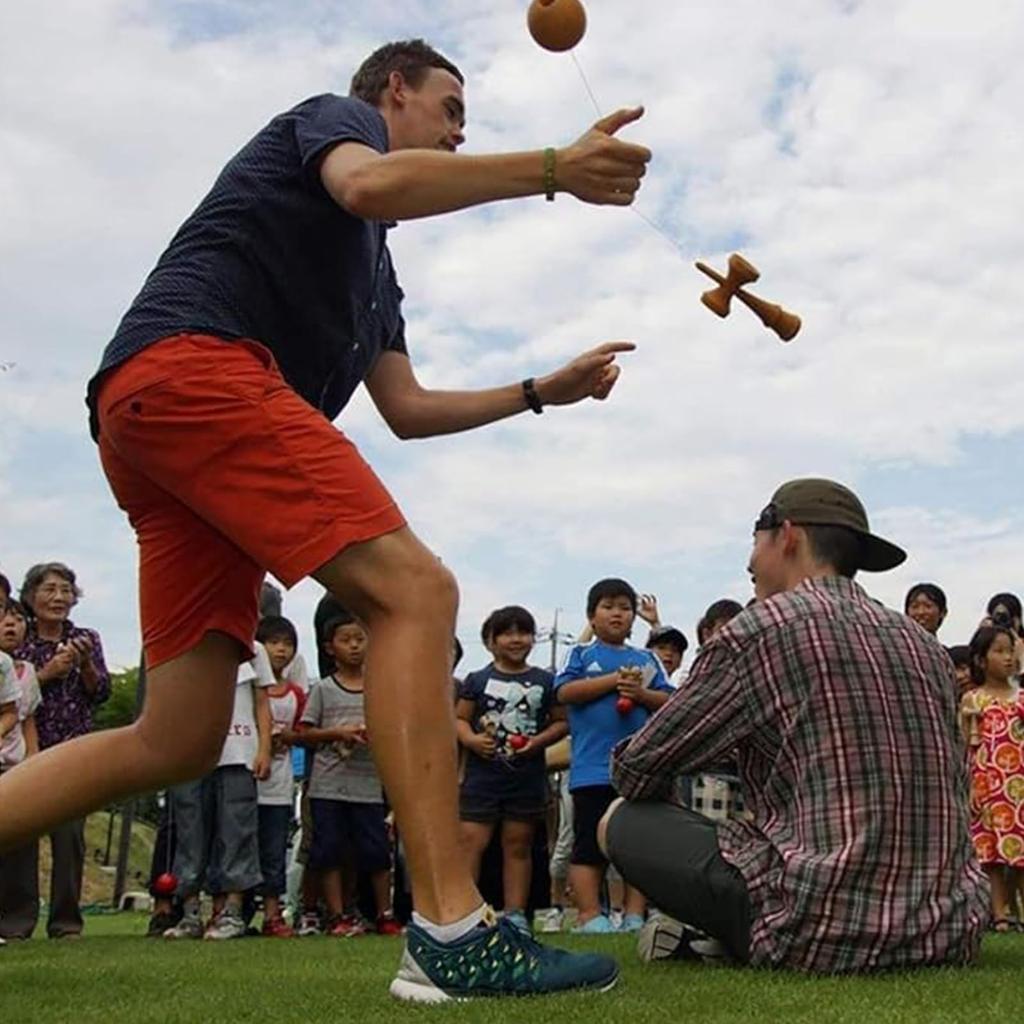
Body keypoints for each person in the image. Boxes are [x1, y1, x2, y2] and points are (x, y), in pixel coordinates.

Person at [0, 39, 646, 999]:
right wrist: (554, 169)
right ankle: (448, 928)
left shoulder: (375, 279)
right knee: (417, 593)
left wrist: (538, 391)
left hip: (153, 419)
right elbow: (367, 184)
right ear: (394, 90)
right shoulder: (337, 125)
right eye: (450, 108)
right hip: (196, 371)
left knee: (172, 737)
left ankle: (444, 925)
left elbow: (406, 409)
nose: (461, 129)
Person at [601, 478, 989, 973]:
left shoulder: (756, 630)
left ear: (786, 536)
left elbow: (637, 770)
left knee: (621, 818)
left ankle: (720, 929)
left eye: (754, 544)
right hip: (945, 931)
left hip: (814, 925)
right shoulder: (926, 646)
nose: (750, 565)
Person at [555, 578, 672, 934]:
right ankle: (591, 915)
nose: (617, 614)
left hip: (637, 770)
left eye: (624, 607)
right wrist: (612, 682)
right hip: (591, 770)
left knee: (636, 848)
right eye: (608, 607)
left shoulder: (647, 658)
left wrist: (639, 693)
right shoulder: (580, 654)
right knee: (588, 845)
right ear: (592, 616)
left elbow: (671, 702)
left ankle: (634, 914)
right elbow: (564, 692)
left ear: (634, 617)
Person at [12, 562, 110, 939]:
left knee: (70, 839)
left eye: (66, 590)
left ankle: (67, 923)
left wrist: (84, 664)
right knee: (22, 839)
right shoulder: (20, 638)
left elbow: (99, 693)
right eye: (49, 589)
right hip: (27, 750)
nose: (58, 597)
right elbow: (10, 693)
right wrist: (48, 671)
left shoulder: (86, 637)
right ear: (31, 595)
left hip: (75, 750)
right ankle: (16, 921)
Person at [456, 606, 567, 933]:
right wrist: (474, 741)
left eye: (524, 632)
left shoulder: (546, 681)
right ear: (490, 641)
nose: (516, 639)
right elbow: (459, 719)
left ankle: (516, 913)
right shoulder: (476, 680)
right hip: (482, 777)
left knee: (518, 845)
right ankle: (466, 912)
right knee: (471, 842)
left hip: (526, 777)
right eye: (506, 633)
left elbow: (562, 722)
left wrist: (538, 742)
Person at [300, 612, 402, 937]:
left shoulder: (380, 688)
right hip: (328, 784)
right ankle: (337, 914)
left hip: (369, 784)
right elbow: (303, 733)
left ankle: (384, 912)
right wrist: (338, 733)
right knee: (329, 849)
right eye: (347, 640)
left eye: (360, 639)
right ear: (331, 648)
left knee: (375, 851)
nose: (355, 646)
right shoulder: (324, 689)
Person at [164, 644, 273, 940]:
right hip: (190, 752)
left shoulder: (253, 648)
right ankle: (189, 912)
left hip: (239, 752)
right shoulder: (182, 641)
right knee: (190, 831)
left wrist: (264, 748)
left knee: (237, 830)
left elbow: (262, 700)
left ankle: (232, 911)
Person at [960, 625, 1024, 932]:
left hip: (1020, 783)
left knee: (1020, 849)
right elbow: (965, 748)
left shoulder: (1021, 698)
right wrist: (970, 784)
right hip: (988, 784)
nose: (1008, 657)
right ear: (982, 660)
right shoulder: (973, 700)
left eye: (1010, 650)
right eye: (999, 651)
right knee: (993, 854)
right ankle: (998, 913)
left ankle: (1017, 910)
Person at [255, 616, 307, 937]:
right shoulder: (250, 689)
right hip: (249, 780)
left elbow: (303, 731)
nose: (281, 650)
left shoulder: (296, 694)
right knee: (241, 846)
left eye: (287, 644)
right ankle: (235, 910)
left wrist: (287, 737)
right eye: (274, 643)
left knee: (274, 849)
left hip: (280, 784)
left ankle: (273, 914)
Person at [0, 602, 43, 941]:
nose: (9, 624)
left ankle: (17, 922)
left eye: (15, 618)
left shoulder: (21, 671)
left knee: (18, 846)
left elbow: (23, 717)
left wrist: (33, 760)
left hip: (12, 765)